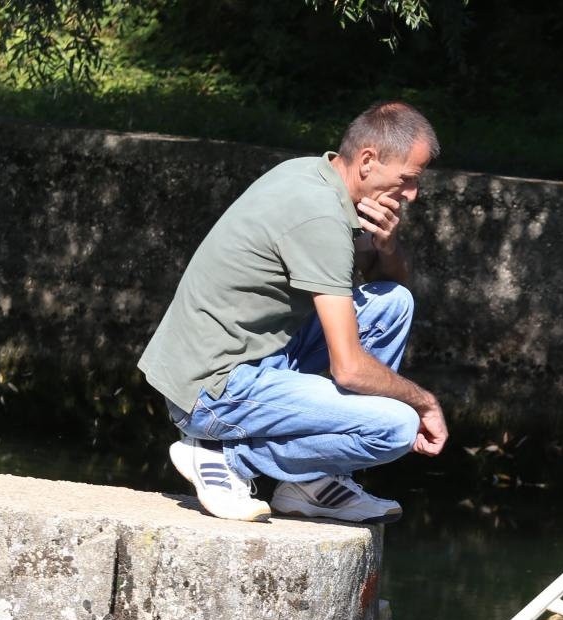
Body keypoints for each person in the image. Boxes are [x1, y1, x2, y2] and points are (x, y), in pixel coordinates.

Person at [138, 100, 449, 524]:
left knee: (393, 304)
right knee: (395, 426)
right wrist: (425, 403)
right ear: (368, 161)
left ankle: (314, 483)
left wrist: (387, 246)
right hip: (213, 391)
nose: (413, 194)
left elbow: (389, 285)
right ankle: (226, 455)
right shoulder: (319, 216)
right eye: (408, 180)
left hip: (254, 357)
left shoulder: (313, 173)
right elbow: (351, 369)